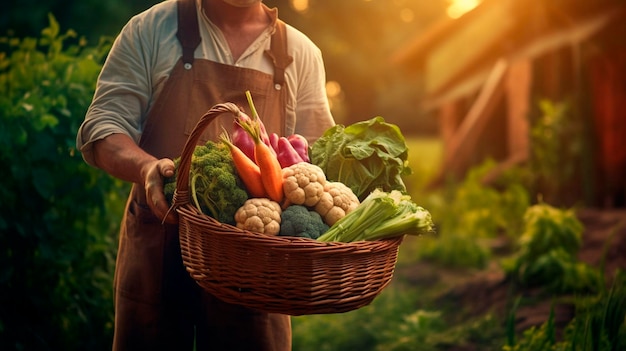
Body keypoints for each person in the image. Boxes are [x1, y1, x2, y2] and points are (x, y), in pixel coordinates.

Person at [76, 0, 335, 349]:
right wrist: (147, 168)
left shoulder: (299, 53)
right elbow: (104, 127)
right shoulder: (151, 29)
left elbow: (318, 158)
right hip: (159, 240)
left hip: (256, 262)